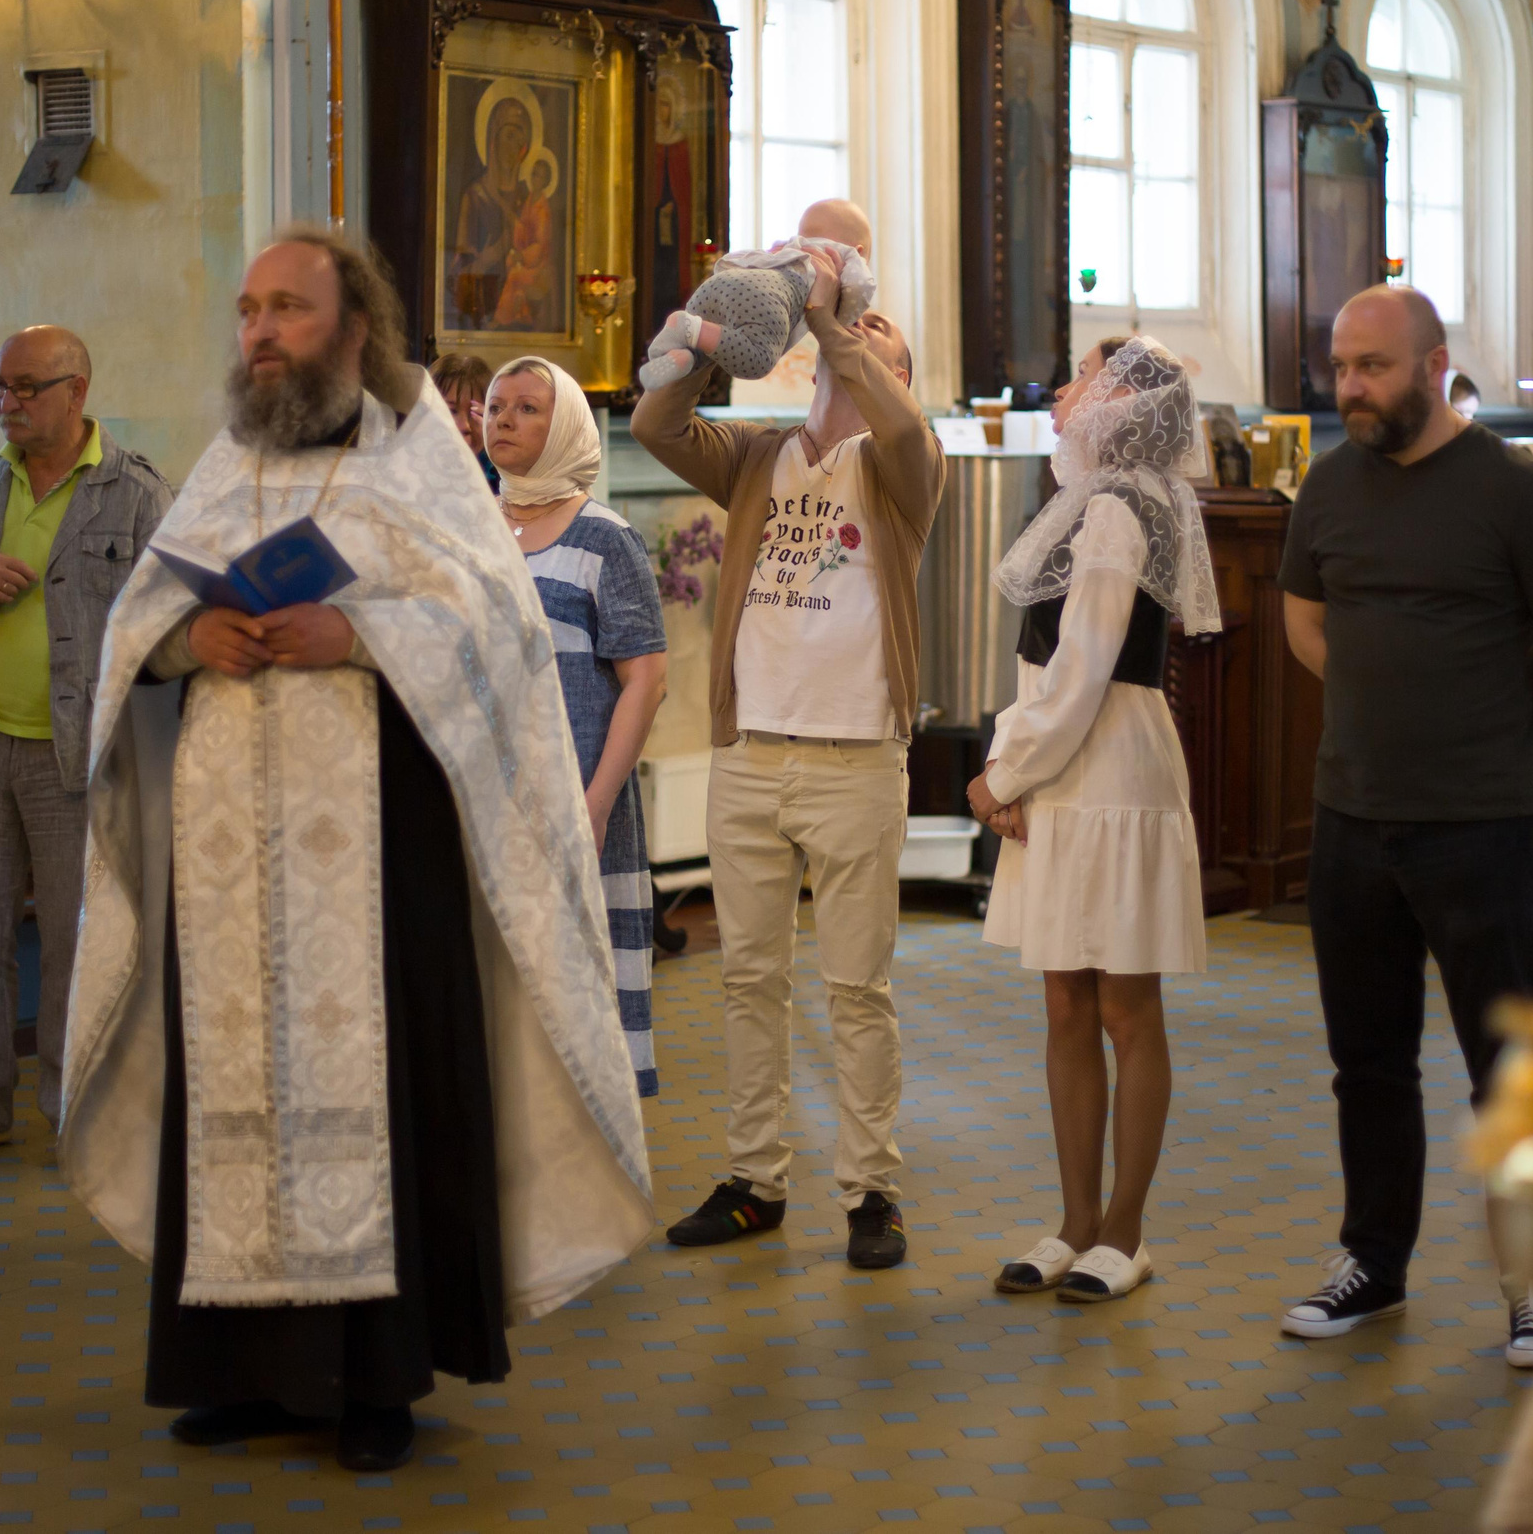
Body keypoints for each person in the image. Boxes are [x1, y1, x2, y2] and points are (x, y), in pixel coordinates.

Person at [59, 229, 652, 1473]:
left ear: (354, 329)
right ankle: (240, 1367)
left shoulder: (419, 462)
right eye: (247, 310)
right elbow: (140, 622)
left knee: (386, 1094)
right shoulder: (230, 460)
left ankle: (376, 1380)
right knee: (231, 1097)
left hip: (386, 850)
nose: (261, 331)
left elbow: (494, 631)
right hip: (230, 854)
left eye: (288, 308)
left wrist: (361, 629)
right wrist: (187, 639)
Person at [1274, 285, 1533, 1369]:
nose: (1351, 388)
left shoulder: (1511, 492)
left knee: (1504, 1063)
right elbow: (1304, 620)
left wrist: (1496, 740)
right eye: (1340, 368)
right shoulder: (1328, 487)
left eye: (1372, 368)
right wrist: (1385, 712)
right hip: (1351, 819)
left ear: (1432, 367)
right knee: (1365, 1061)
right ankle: (1372, 1264)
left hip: (1477, 823)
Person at [632, 246, 945, 1270]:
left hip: (855, 757)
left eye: (879, 339)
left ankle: (871, 1190)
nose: (859, 348)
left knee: (857, 988)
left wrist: (832, 321)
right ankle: (754, 1181)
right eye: (857, 337)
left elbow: (896, 420)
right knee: (749, 980)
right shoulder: (761, 459)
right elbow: (654, 427)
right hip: (753, 753)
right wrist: (703, 335)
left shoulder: (903, 465)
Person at [965, 336, 1219, 1304]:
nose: (1065, 390)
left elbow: (1082, 672)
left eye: (1084, 376)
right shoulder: (1095, 500)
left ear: (1122, 405)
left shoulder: (1118, 509)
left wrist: (999, 775)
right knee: (1065, 1000)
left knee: (1124, 1006)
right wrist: (1019, 766)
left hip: (1108, 771)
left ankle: (1124, 1229)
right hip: (1066, 766)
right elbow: (1051, 673)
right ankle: (1072, 1222)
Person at [0, 326, 172, 1161]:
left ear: (76, 390)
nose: (8, 404)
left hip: (78, 759)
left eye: (25, 388)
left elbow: (170, 618)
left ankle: (74, 1104)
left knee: (73, 943)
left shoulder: (135, 493)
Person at [484, 354, 670, 1095]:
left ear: (563, 426)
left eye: (527, 408)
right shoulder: (470, 526)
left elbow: (646, 679)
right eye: (496, 406)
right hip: (485, 801)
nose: (503, 418)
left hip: (572, 802)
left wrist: (594, 804)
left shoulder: (604, 539)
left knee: (576, 1015)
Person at [639, 198, 877, 390]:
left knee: (710, 348)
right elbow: (860, 289)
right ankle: (687, 328)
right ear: (859, 250)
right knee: (758, 360)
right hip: (762, 296)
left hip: (720, 282)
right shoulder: (847, 257)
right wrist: (845, 322)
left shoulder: (788, 247)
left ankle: (676, 355)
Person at [428, 350, 499, 493]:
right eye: (452, 411)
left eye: (475, 412)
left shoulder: (504, 482)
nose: (465, 426)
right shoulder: (406, 477)